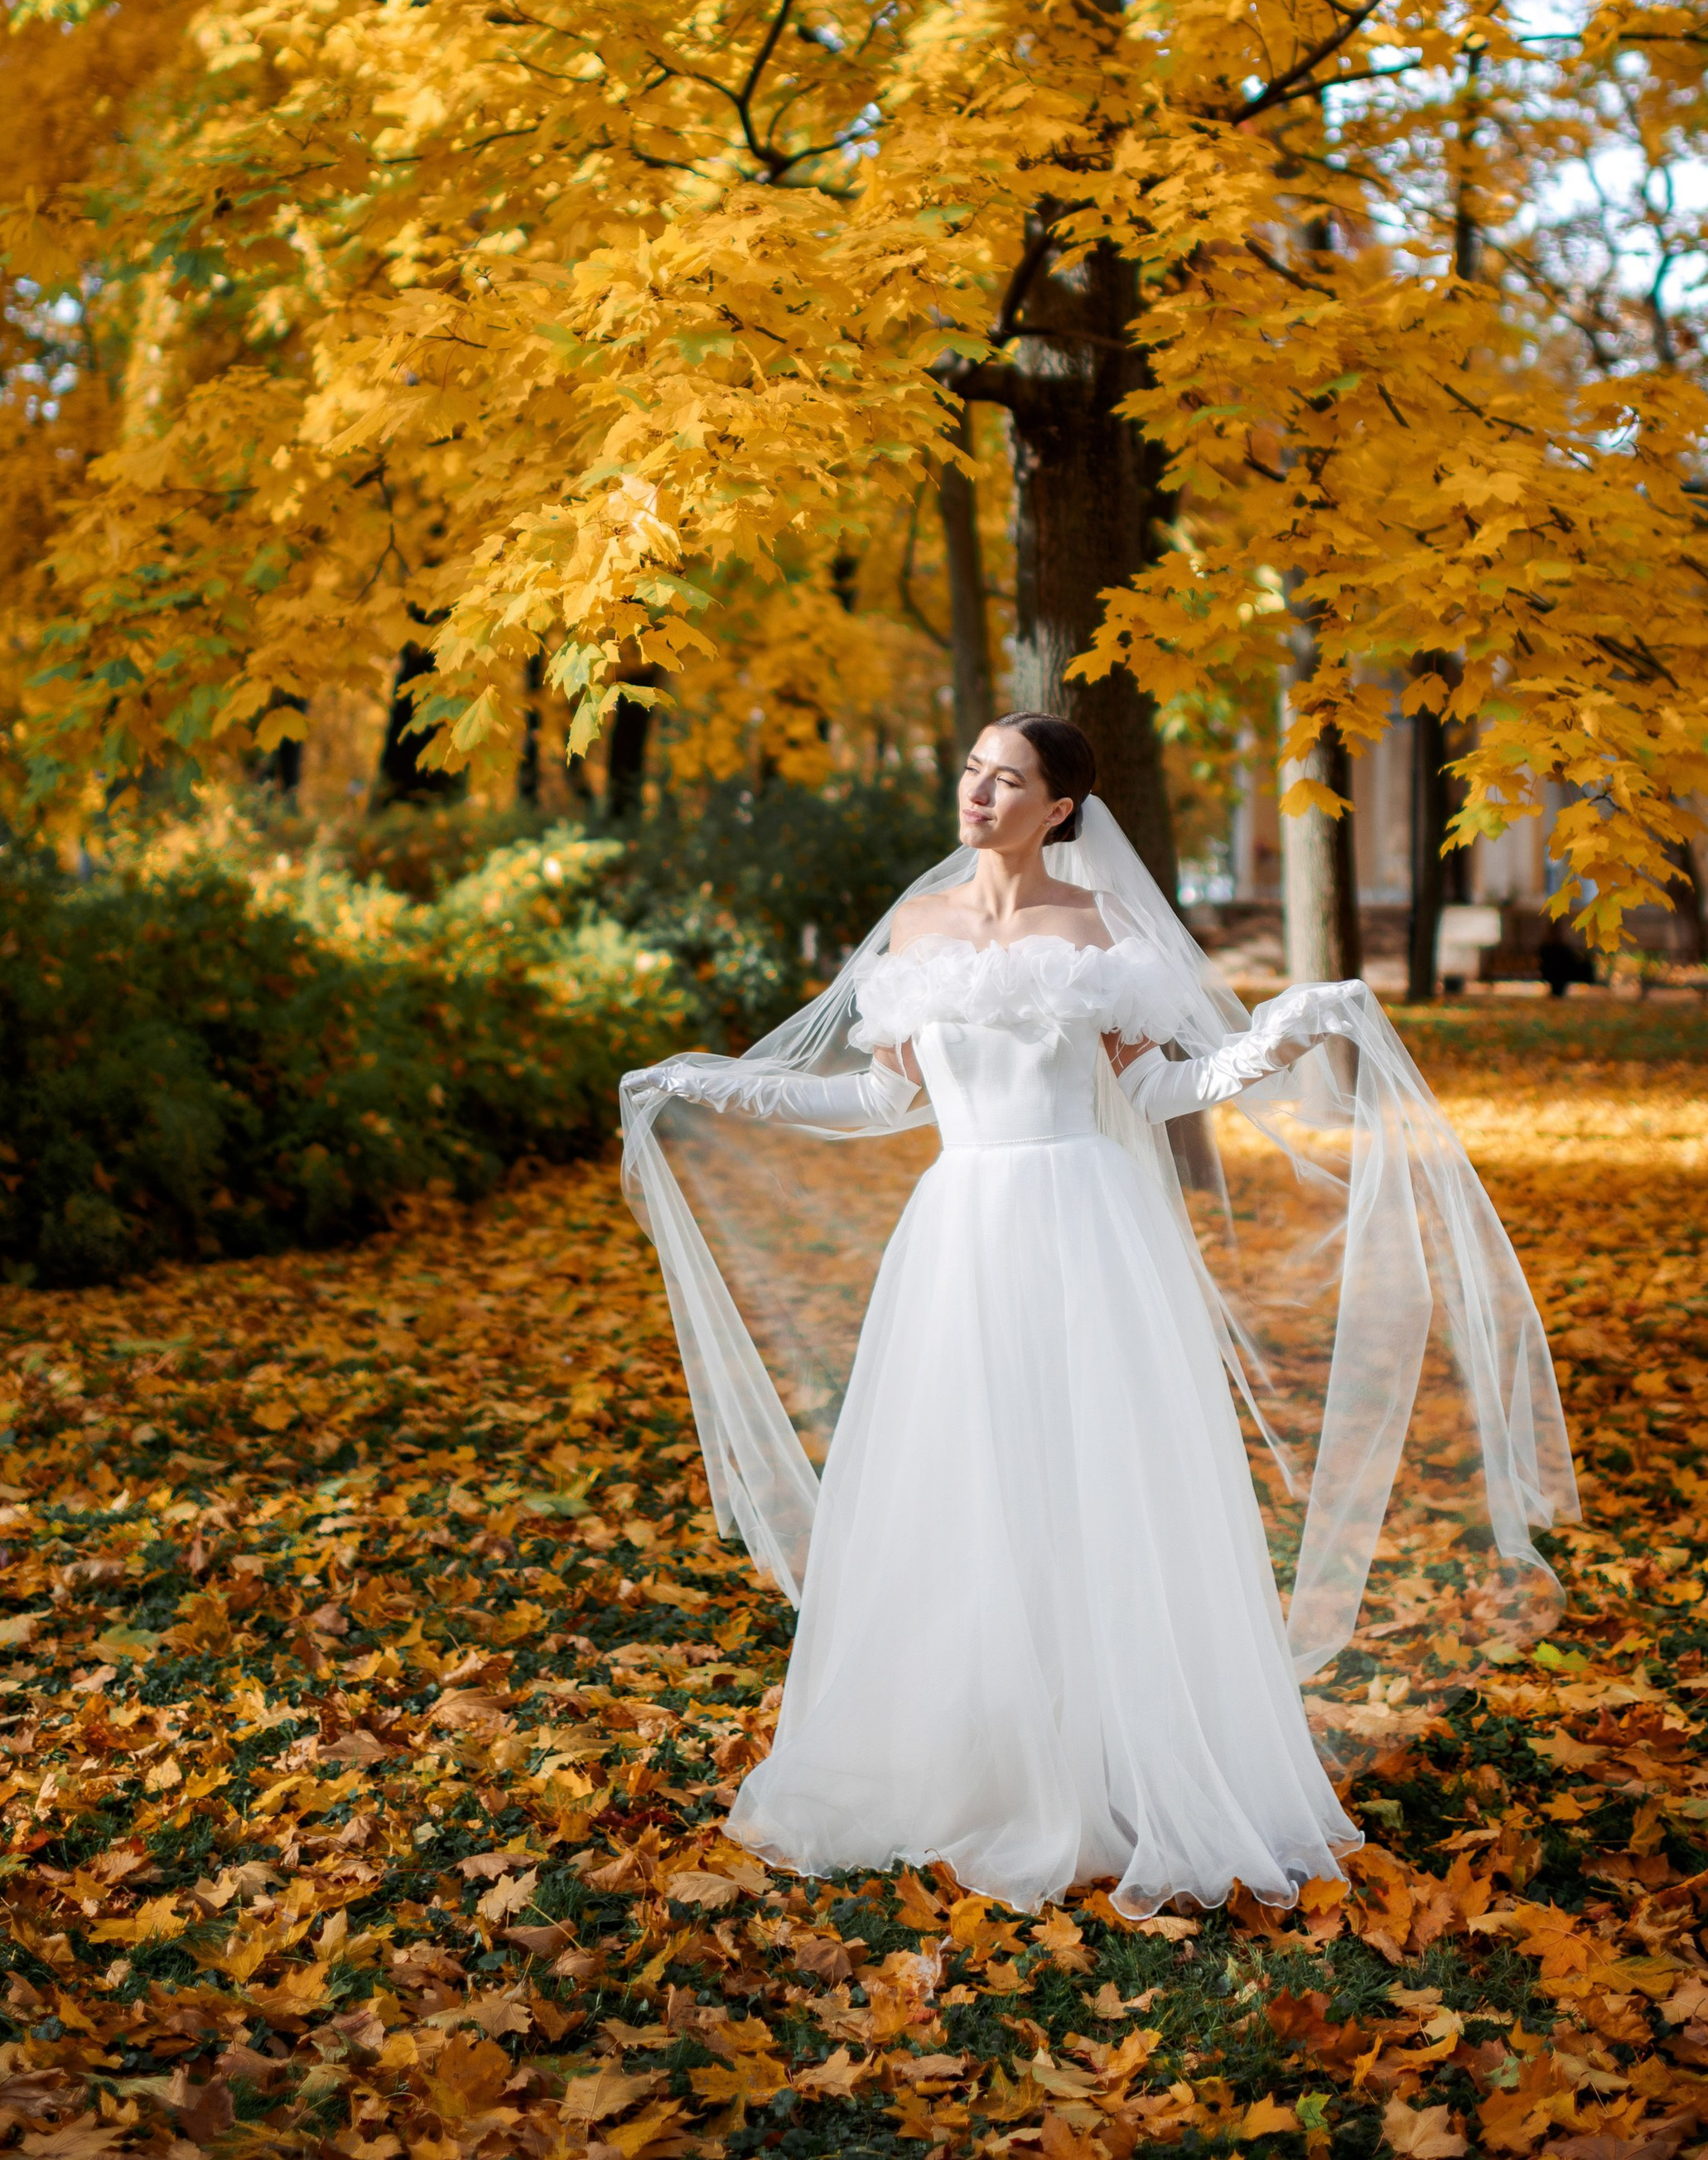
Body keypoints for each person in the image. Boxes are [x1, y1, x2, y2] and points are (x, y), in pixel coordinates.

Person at [621, 711, 1576, 1919]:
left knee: (1099, 1479)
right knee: (962, 1479)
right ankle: (972, 1758)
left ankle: (1117, 1764)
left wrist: (1283, 1031)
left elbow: (1163, 1085)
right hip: (959, 1232)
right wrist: (715, 1083)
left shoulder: (1099, 927)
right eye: (972, 770)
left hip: (1086, 1223)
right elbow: (878, 1099)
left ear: (1059, 809)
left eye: (1008, 780)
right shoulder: (915, 930)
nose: (979, 793)